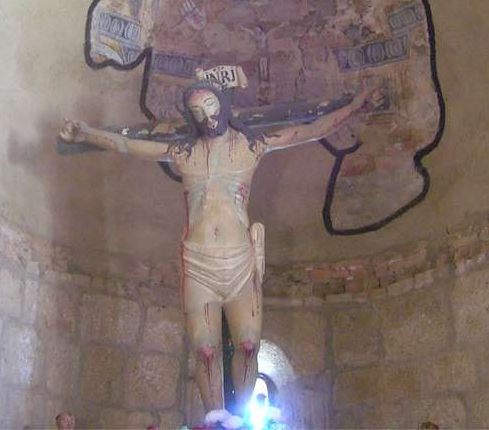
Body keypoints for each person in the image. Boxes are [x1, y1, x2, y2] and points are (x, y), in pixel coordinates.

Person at [60, 81, 378, 415]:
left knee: (248, 344)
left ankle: (239, 417)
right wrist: (86, 134)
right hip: (197, 262)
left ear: (223, 105)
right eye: (197, 111)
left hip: (239, 259)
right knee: (205, 350)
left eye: (211, 105)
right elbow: (128, 145)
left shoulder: (251, 147)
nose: (207, 116)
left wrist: (356, 104)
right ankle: (214, 417)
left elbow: (308, 131)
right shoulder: (184, 153)